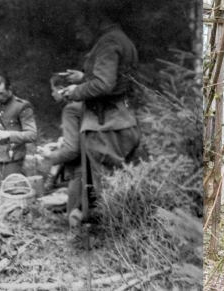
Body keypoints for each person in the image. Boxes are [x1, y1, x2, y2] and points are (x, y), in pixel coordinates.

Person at [60, 7, 140, 220]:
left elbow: (104, 84)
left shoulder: (107, 42)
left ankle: (109, 239)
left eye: (85, 23)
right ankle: (119, 233)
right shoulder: (124, 40)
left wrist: (75, 91)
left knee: (105, 186)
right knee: (122, 183)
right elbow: (116, 80)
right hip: (123, 120)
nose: (82, 29)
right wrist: (83, 76)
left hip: (104, 126)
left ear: (97, 19)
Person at [38, 75, 83, 227]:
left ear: (60, 89)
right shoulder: (83, 103)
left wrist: (49, 155)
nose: (52, 94)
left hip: (80, 171)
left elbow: (72, 150)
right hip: (92, 165)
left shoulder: (70, 109)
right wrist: (60, 143)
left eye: (53, 90)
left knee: (75, 216)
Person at [0, 75, 37, 180]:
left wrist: (8, 134)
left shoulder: (21, 106)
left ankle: (4, 180)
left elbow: (32, 135)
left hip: (12, 154)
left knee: (5, 185)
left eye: (1, 93)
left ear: (10, 89)